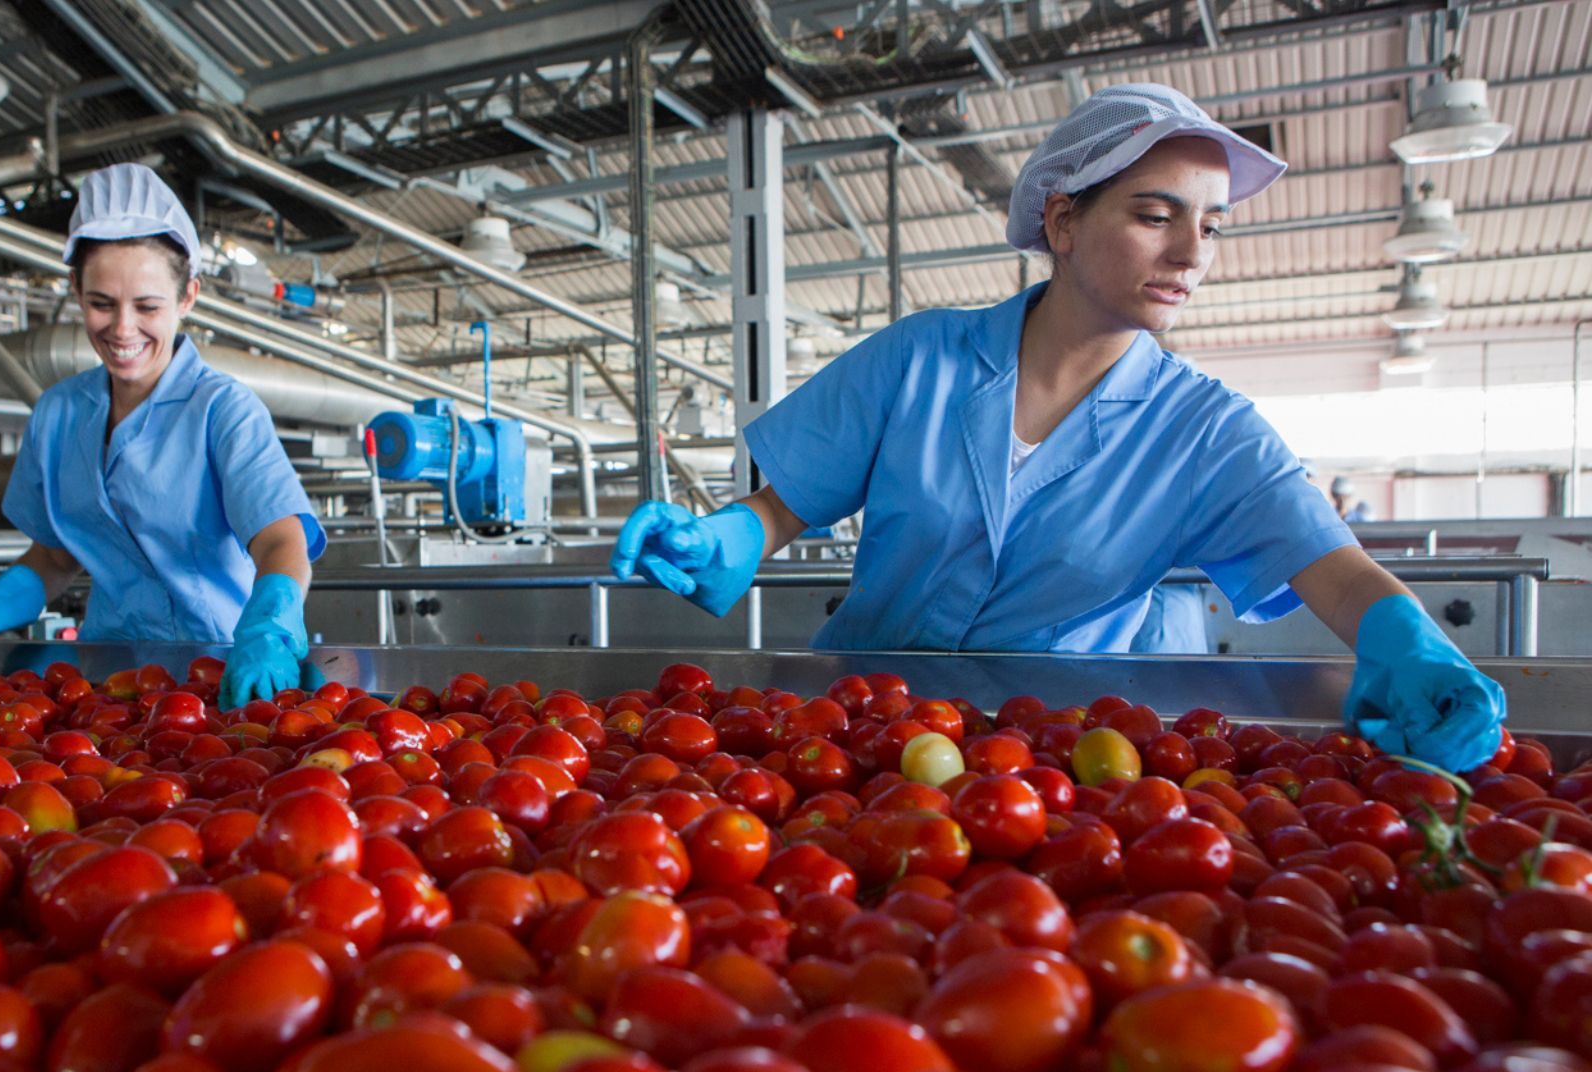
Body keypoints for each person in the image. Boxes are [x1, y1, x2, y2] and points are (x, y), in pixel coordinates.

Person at [612, 84, 1503, 772]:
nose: (1192, 255)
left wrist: (1405, 635)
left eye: (1211, 225)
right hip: (854, 729)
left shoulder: (1206, 430)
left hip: (1053, 759)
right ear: (1064, 219)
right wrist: (728, 534)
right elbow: (783, 506)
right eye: (1156, 216)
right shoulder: (921, 359)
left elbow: (1335, 571)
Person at [0, 164, 326, 708]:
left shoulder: (222, 409)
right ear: (75, 290)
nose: (121, 329)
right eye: (101, 304)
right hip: (108, 679)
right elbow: (54, 557)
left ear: (188, 296)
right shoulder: (59, 413)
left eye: (147, 306)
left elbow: (281, 541)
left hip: (228, 675)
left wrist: (270, 631)